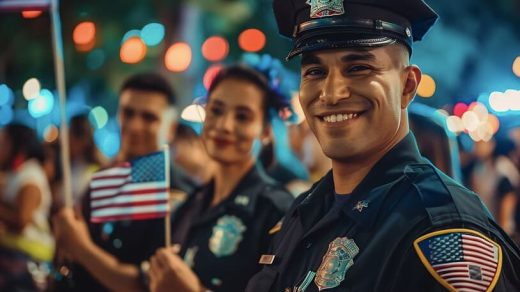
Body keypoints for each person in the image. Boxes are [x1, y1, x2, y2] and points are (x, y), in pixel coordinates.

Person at [246, 0, 520, 291]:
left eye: (358, 68)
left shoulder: (443, 233)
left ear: (407, 86)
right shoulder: (304, 211)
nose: (331, 93)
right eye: (315, 72)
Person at [148, 65, 294, 292]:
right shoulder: (189, 205)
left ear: (265, 130)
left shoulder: (276, 211)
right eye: (216, 111)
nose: (224, 126)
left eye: (242, 117)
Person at [51, 72, 193, 292]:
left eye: (149, 117)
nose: (135, 126)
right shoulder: (104, 178)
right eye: (128, 113)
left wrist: (81, 248)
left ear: (171, 127)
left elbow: (148, 284)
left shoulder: (180, 193)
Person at [0, 123, 54, 291]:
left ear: (16, 145)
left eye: (3, 142)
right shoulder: (18, 173)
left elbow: (22, 220)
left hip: (26, 257)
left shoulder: (30, 176)